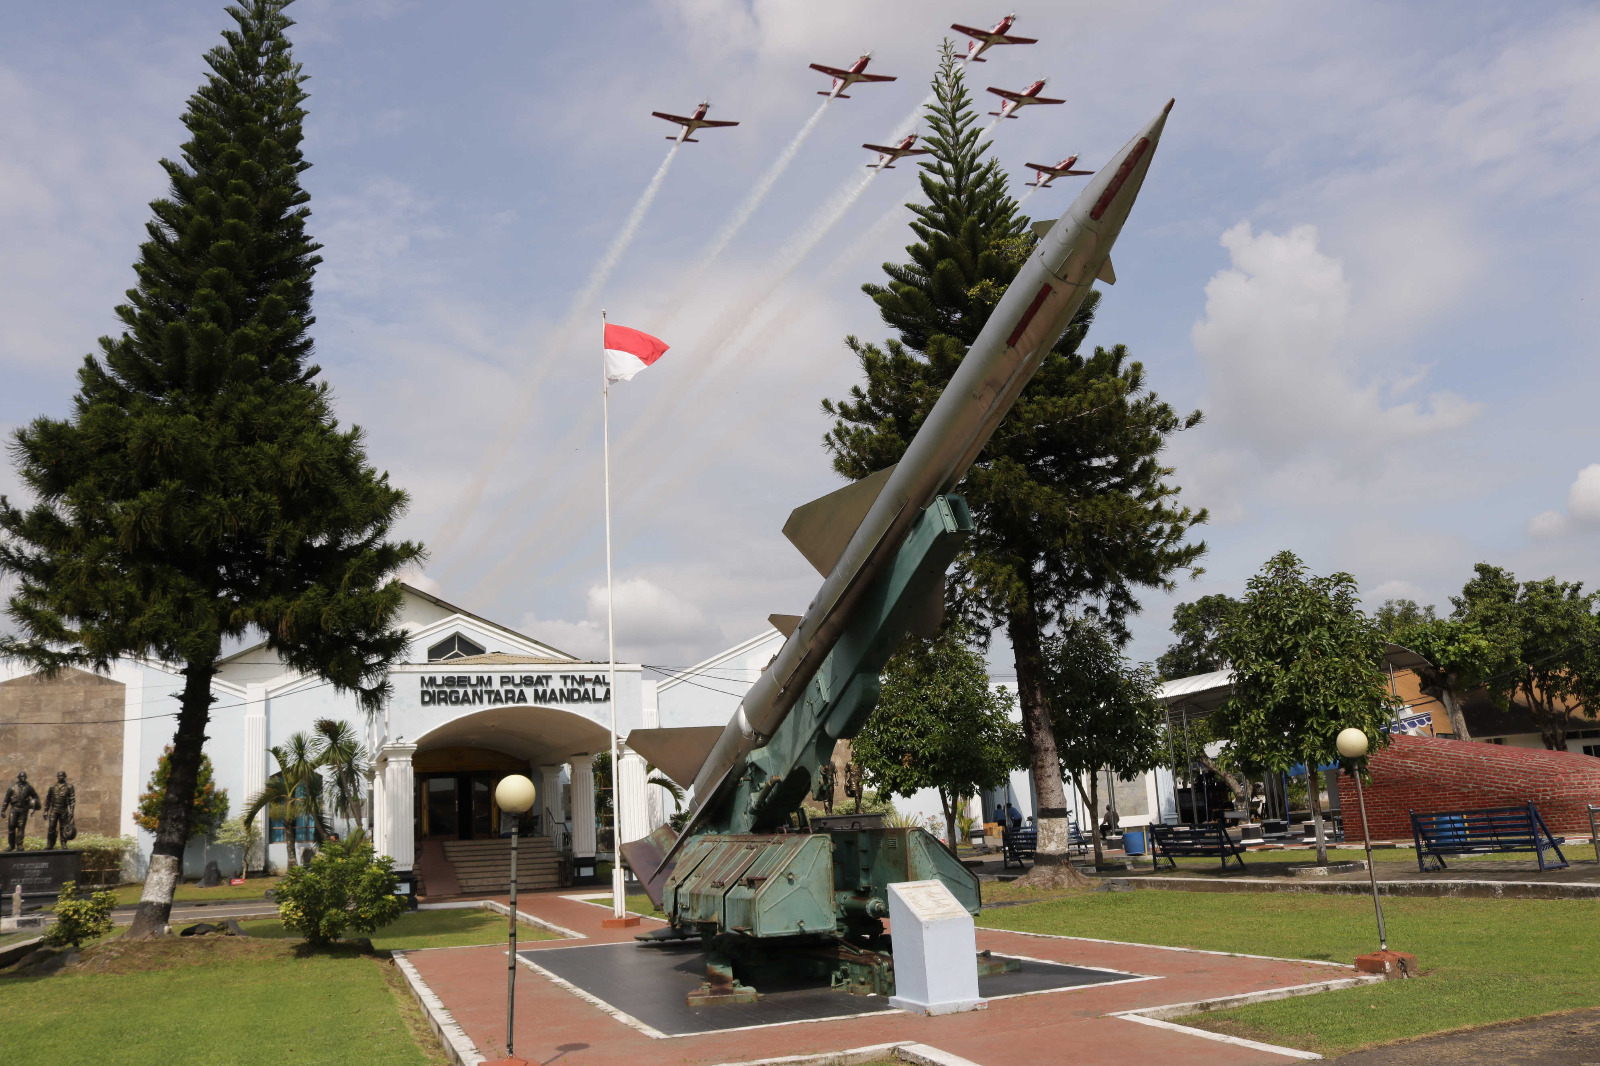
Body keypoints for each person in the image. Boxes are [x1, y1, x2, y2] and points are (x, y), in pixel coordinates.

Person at [2, 771, 41, 851]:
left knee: (21, 828)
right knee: (11, 827)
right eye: (21, 777)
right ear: (18, 778)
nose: (23, 778)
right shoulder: (12, 788)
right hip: (14, 809)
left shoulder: (29, 788)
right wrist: (3, 810)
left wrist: (33, 805)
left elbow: (36, 797)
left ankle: (19, 845)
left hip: (23, 810)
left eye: (24, 777)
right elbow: (6, 800)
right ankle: (11, 845)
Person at [43, 770, 75, 849]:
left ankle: (63, 843)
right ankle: (50, 843)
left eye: (62, 776)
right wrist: (46, 811)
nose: (60, 777)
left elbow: (72, 800)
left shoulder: (69, 787)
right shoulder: (52, 788)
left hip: (63, 810)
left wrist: (71, 811)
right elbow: (48, 800)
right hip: (54, 810)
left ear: (65, 777)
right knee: (51, 827)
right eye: (59, 776)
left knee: (63, 828)